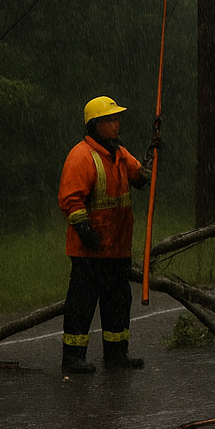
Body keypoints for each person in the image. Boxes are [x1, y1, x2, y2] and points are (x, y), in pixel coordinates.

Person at [57, 96, 151, 374]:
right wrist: (85, 232)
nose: (116, 123)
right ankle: (73, 358)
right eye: (110, 120)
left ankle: (116, 355)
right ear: (95, 125)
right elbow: (70, 201)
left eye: (117, 119)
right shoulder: (81, 156)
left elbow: (140, 178)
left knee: (118, 303)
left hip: (117, 248)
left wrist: (152, 156)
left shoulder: (119, 153)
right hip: (89, 250)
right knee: (81, 305)